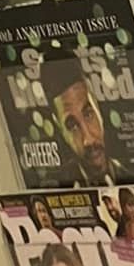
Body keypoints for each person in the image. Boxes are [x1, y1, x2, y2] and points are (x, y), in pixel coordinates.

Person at [42, 57, 111, 185]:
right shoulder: (58, 185)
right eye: (72, 126)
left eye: (89, 114)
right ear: (60, 128)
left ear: (98, 108)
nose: (88, 140)